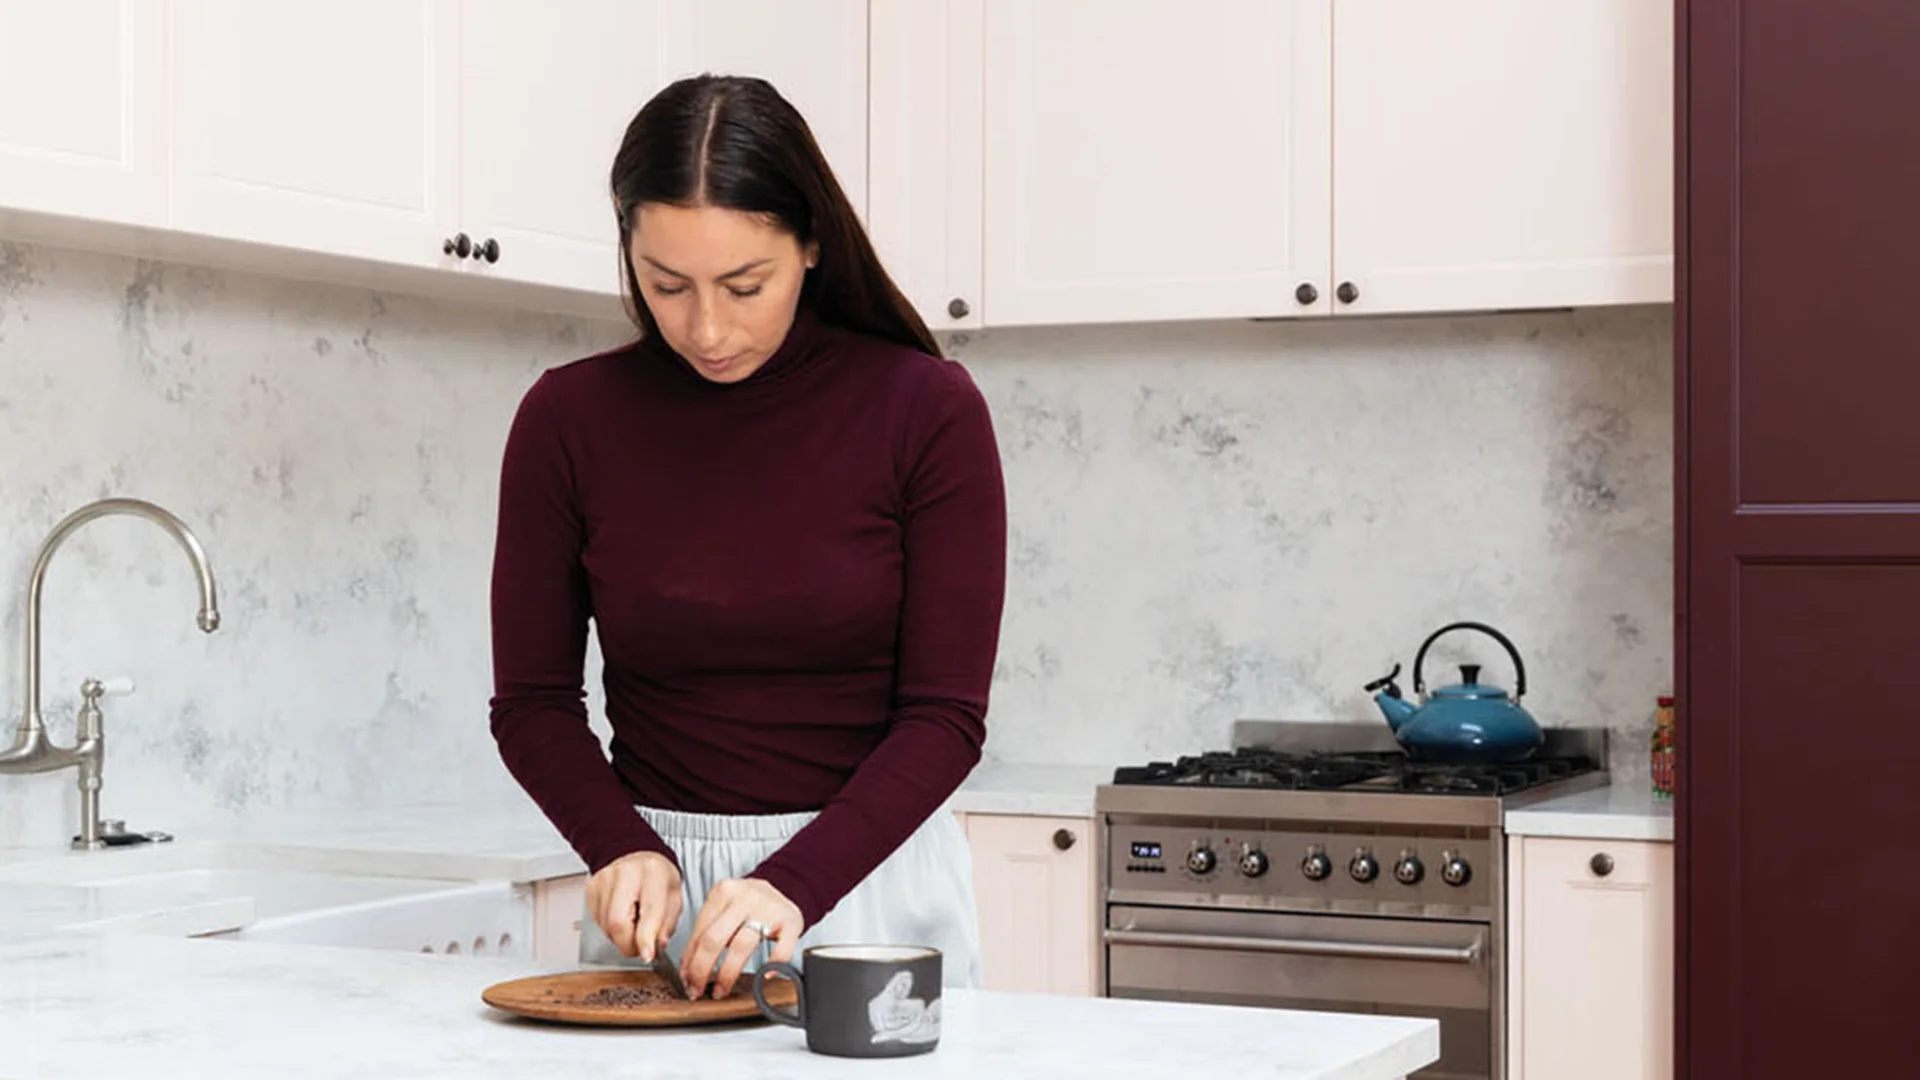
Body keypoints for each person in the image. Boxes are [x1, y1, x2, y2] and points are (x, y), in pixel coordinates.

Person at [486, 73, 1008, 1002]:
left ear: (812, 243)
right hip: (660, 900)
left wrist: (794, 884)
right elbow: (531, 703)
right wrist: (619, 846)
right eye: (666, 286)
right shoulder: (568, 418)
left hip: (870, 885)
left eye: (744, 284)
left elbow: (946, 717)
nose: (708, 328)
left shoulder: (926, 410)